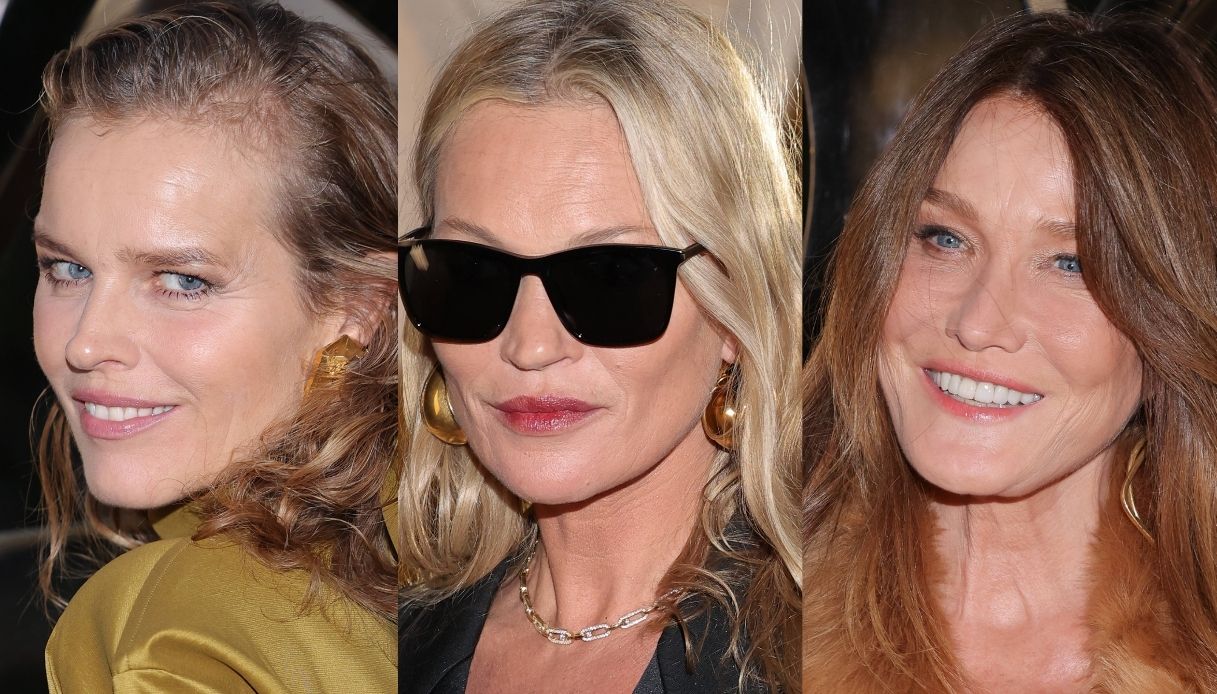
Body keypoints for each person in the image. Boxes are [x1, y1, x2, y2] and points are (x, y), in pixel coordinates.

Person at [804, 10, 1217, 692]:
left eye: (1070, 263)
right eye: (945, 238)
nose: (977, 323)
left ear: (1168, 317)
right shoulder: (756, 615)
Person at [398, 0, 802, 691]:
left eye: (610, 278)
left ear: (733, 311)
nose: (530, 346)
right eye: (472, 274)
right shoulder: (379, 642)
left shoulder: (809, 657)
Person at [32, 2, 398, 691]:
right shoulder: (433, 561)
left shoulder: (172, 636)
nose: (84, 342)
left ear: (357, 307)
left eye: (181, 281)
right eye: (66, 268)